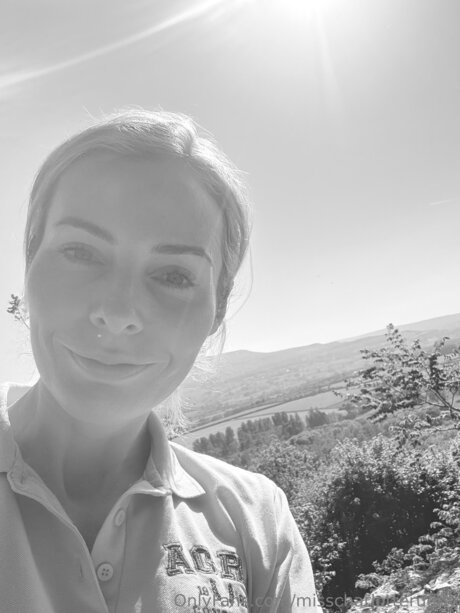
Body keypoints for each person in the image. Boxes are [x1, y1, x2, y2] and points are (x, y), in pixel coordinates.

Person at [0, 109, 323, 612]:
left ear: (217, 310)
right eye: (81, 251)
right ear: (30, 264)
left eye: (174, 276)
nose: (117, 313)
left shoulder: (258, 519)